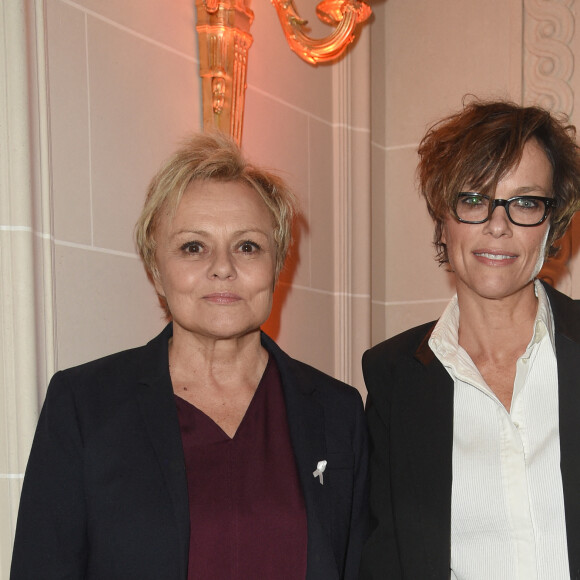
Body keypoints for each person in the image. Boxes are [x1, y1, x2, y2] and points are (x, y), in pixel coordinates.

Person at [11, 133, 369, 580]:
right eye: (193, 247)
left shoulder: (338, 411)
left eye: (248, 246)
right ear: (156, 271)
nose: (223, 267)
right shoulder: (84, 406)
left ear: (276, 267)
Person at [359, 100, 580, 579]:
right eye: (474, 199)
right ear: (443, 218)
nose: (498, 226)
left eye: (525, 202)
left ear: (552, 222)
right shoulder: (393, 378)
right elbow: (386, 562)